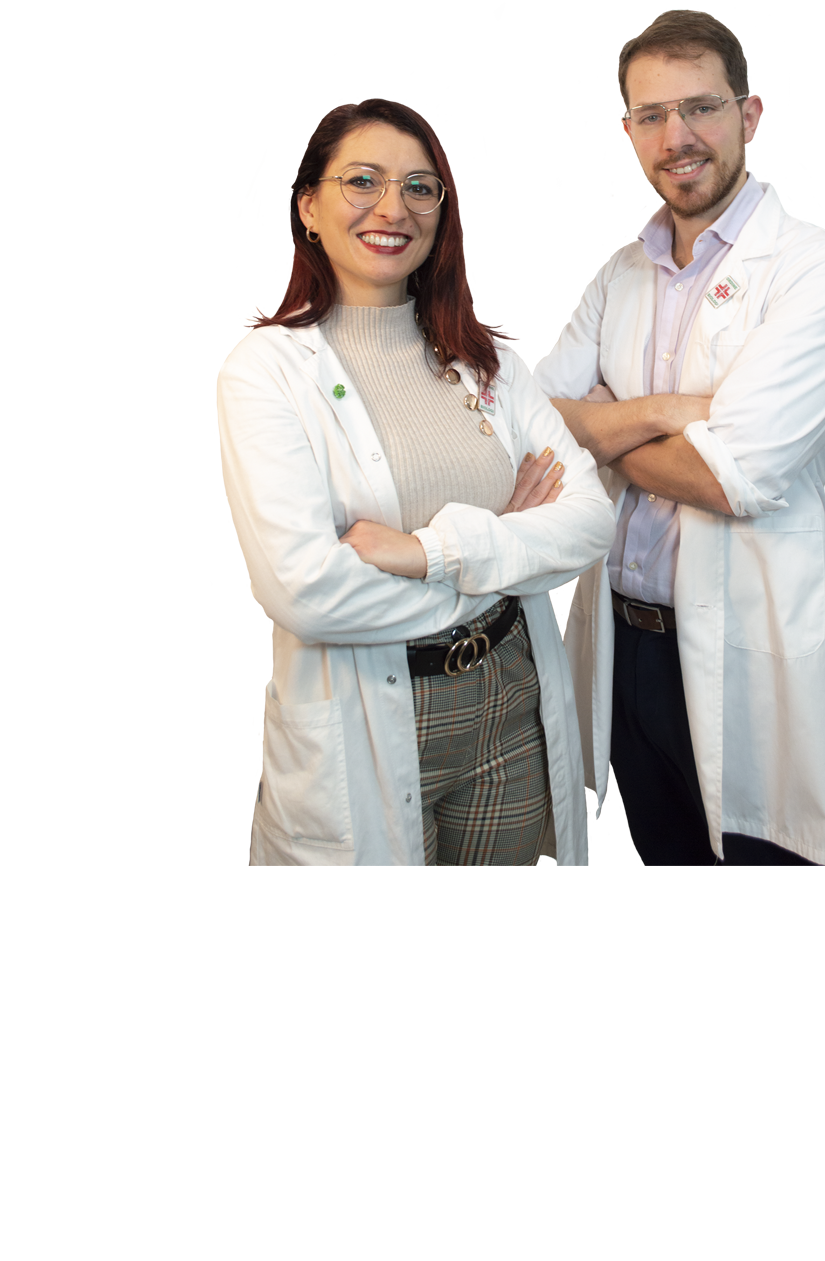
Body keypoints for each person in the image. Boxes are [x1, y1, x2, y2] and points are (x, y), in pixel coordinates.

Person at [216, 100, 616, 866]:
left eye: (419, 187)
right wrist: (502, 556)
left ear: (440, 212)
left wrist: (423, 553)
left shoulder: (488, 364)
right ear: (308, 206)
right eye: (362, 181)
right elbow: (307, 594)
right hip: (371, 707)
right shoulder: (265, 372)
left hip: (510, 703)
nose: (392, 208)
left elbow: (589, 520)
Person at [535, 9, 825, 866]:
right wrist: (664, 413)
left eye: (699, 108)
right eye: (650, 115)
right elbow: (530, 428)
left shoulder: (813, 271)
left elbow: (731, 476)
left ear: (748, 114)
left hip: (739, 648)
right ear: (628, 132)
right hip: (622, 642)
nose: (675, 137)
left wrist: (598, 424)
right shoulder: (618, 272)